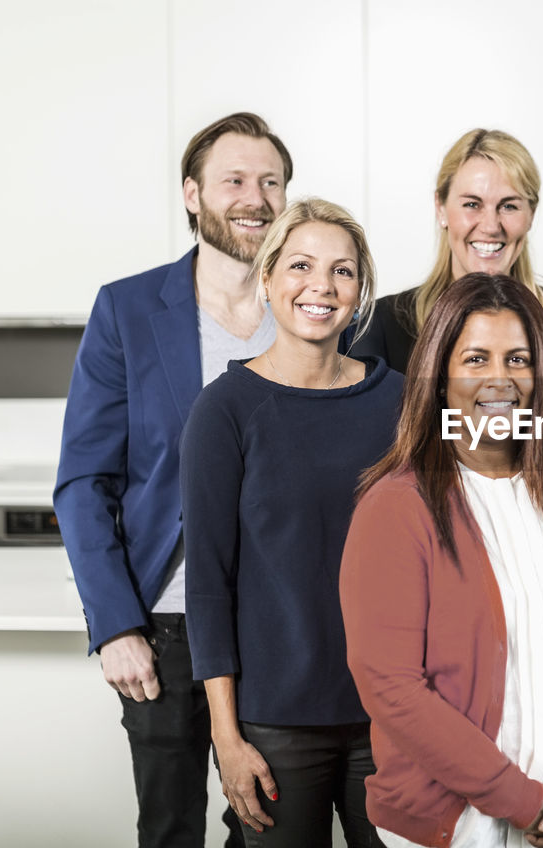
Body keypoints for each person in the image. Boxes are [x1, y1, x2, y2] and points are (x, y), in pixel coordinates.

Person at [340, 272, 543, 848]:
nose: (499, 379)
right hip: (452, 828)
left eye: (517, 359)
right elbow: (391, 686)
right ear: (439, 376)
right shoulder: (394, 506)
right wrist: (524, 802)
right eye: (475, 358)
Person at [54, 111, 291, 848]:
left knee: (270, 825)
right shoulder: (127, 309)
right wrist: (116, 624)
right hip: (166, 625)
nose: (254, 198)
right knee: (170, 828)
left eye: (270, 182)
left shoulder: (315, 308)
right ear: (193, 195)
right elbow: (83, 480)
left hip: (281, 624)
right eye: (234, 181)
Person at [181, 197, 403, 846]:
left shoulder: (398, 400)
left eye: (343, 271)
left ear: (360, 291)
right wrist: (226, 735)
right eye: (302, 266)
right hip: (275, 720)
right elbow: (209, 584)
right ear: (270, 279)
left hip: (391, 714)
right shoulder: (225, 410)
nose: (321, 286)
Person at [352, 128, 543, 371]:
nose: (490, 226)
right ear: (440, 208)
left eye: (509, 206)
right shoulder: (382, 326)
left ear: (531, 215)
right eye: (472, 204)